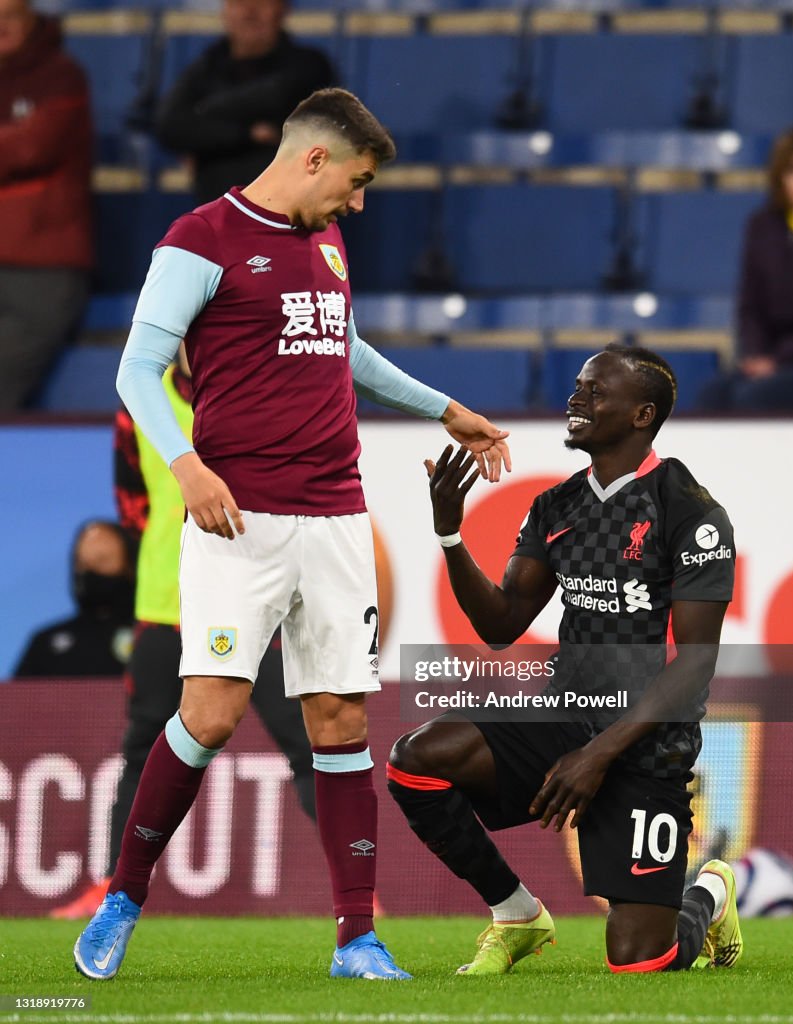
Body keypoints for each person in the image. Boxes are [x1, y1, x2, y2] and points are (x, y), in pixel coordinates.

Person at [73, 87, 511, 983]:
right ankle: (124, 894)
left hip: (337, 515)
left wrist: (445, 409)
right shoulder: (199, 240)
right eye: (356, 182)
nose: (358, 202)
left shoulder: (327, 243)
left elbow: (344, 349)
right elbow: (136, 369)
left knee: (342, 719)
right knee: (212, 713)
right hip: (243, 521)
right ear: (315, 158)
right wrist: (184, 463)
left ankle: (357, 939)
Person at [388, 344, 743, 976]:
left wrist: (599, 754)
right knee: (416, 761)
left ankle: (707, 895)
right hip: (565, 713)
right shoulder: (558, 506)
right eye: (577, 388)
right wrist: (449, 533)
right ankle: (517, 913)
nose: (576, 400)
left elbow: (693, 665)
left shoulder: (690, 511)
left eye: (594, 391)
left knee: (641, 963)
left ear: (642, 414)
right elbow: (500, 624)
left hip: (643, 744)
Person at [51, 348, 316, 920]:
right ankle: (110, 886)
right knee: (140, 748)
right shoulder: (139, 407)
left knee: (306, 742)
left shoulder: (251, 394)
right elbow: (133, 505)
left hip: (251, 605)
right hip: (163, 605)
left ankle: (359, 891)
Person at [0, 0, 93, 411]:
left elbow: (30, 146)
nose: (0, 26)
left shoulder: (61, 77)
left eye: (11, 16)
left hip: (42, 266)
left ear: (33, 19)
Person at [155, 0, 335, 205]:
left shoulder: (310, 65)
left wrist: (204, 117)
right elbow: (169, 126)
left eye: (261, 2)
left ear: (282, 9)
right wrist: (248, 134)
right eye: (239, 2)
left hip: (289, 221)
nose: (250, 12)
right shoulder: (205, 68)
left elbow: (277, 95)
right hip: (219, 218)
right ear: (225, 11)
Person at [698, 125, 793, 412]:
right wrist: (756, 354)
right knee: (713, 395)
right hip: (769, 359)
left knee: (751, 398)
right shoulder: (762, 226)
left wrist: (777, 360)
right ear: (780, 178)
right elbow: (750, 305)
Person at [14, 521, 135, 678]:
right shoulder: (45, 643)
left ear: (129, 566)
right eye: (82, 564)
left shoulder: (150, 640)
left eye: (102, 561)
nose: (90, 571)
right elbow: (17, 699)